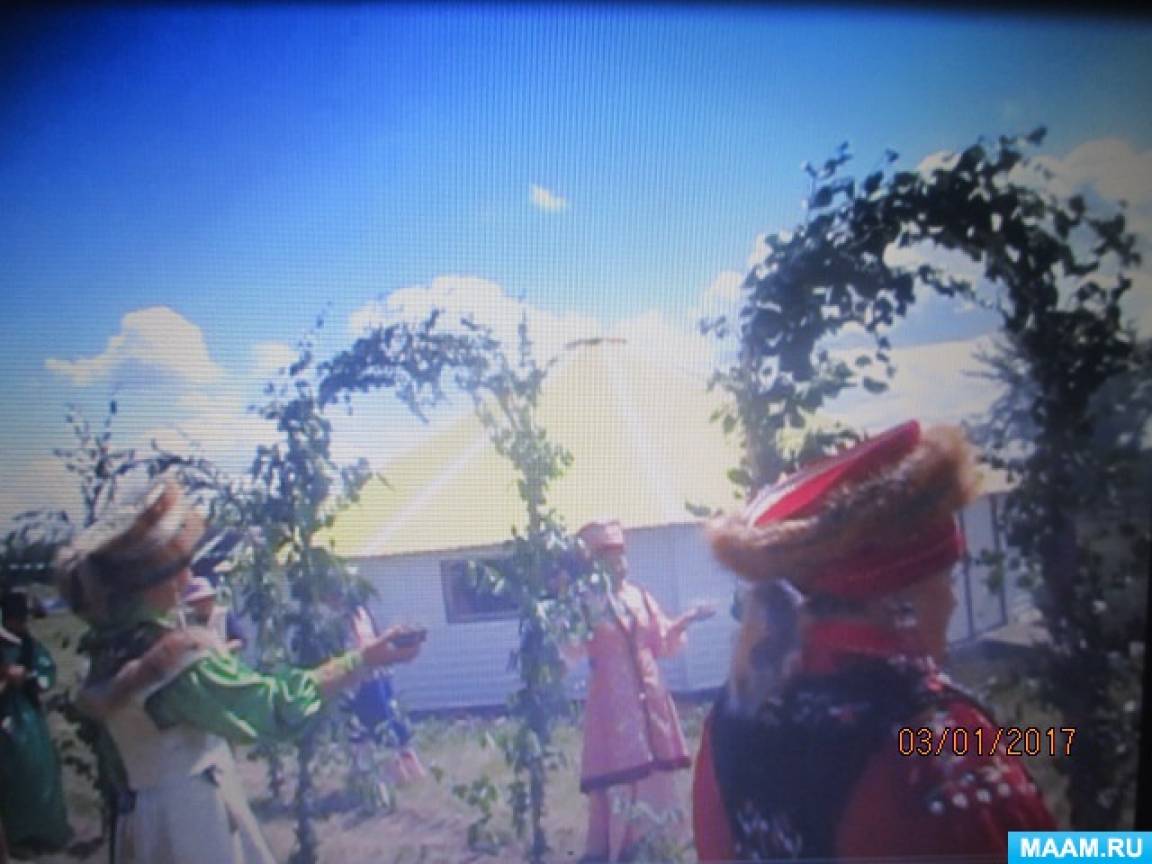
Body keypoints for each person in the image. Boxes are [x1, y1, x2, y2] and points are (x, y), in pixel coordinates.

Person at [692, 420, 1056, 861]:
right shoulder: (935, 740)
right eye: (946, 579)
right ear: (899, 600)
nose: (953, 601)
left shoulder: (733, 718)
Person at [56, 474, 425, 864]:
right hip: (191, 820)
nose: (188, 578)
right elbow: (273, 707)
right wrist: (363, 659)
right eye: (179, 568)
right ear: (150, 583)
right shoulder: (178, 665)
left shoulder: (106, 652)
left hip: (142, 821)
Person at [568, 519, 714, 863]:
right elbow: (571, 647)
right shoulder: (587, 602)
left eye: (621, 555)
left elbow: (660, 641)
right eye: (609, 556)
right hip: (612, 700)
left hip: (650, 695)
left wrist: (687, 618)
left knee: (655, 768)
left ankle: (658, 842)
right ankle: (621, 845)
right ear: (595, 562)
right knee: (622, 770)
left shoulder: (639, 597)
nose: (619, 563)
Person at [0, 590, 73, 856]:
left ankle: (46, 831)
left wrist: (28, 677)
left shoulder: (28, 645)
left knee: (38, 772)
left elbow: (45, 673)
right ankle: (17, 837)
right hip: (5, 718)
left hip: (28, 719)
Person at [344, 601, 427, 787]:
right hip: (362, 679)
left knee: (391, 724)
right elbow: (363, 648)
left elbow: (370, 643)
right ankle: (399, 778)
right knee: (378, 726)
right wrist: (389, 637)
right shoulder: (344, 617)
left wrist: (395, 641)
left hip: (376, 675)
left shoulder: (361, 611)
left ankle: (411, 776)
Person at [182, 577, 245, 654]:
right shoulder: (187, 621)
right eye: (197, 601)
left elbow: (240, 640)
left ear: (211, 598)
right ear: (191, 604)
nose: (202, 604)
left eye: (205, 599)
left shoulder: (224, 614)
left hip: (224, 658)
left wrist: (224, 649)